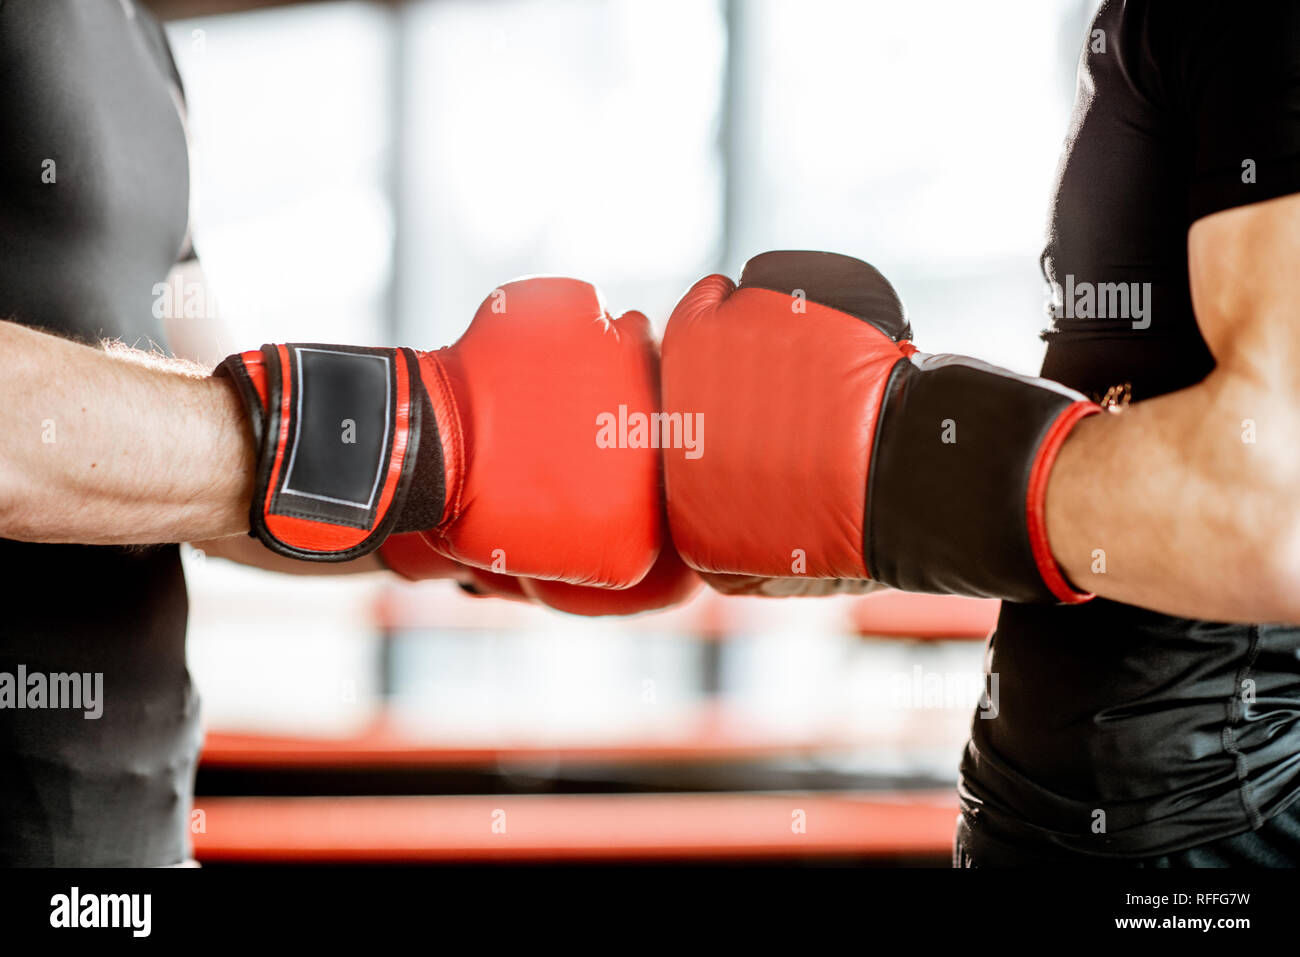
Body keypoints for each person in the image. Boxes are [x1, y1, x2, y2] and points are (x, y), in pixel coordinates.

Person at [0, 0, 691, 867]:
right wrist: (437, 441)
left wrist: (479, 510)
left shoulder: (139, 41)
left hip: (138, 840)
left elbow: (211, 444)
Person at [659, 0, 1300, 865]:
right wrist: (826, 503)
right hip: (1063, 819)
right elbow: (1135, 418)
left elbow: (1276, 504)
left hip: (1210, 848)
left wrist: (888, 460)